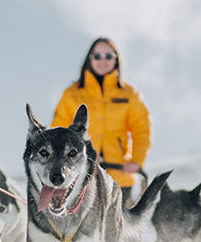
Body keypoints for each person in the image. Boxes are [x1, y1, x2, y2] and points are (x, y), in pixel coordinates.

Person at [51, 37, 152, 202]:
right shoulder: (72, 94)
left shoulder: (130, 95)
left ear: (116, 59)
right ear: (89, 59)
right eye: (97, 56)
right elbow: (58, 133)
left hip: (119, 176)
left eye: (108, 56)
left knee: (117, 225)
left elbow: (142, 129)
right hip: (81, 176)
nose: (102, 61)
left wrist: (136, 160)